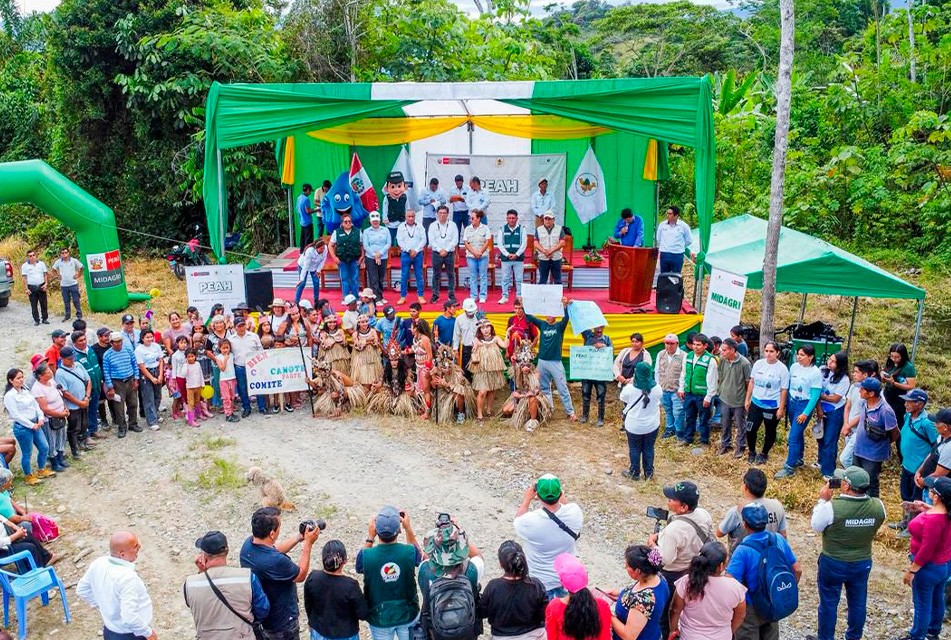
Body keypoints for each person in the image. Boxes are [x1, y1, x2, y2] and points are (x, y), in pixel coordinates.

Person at [811, 466, 885, 640]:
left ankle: (826, 637)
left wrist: (822, 501)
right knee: (858, 602)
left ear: (846, 486)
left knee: (828, 603)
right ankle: (854, 636)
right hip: (862, 561)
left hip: (833, 560)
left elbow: (816, 526)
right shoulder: (878, 506)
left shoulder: (831, 507)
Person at [240, 506, 321, 639]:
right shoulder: (275, 561)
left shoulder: (248, 546)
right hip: (282, 623)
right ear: (272, 533)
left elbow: (273, 549)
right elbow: (300, 575)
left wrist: (299, 537)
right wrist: (308, 544)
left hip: (262, 618)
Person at [647, 480, 712, 639]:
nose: (669, 499)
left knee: (666, 612)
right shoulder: (703, 514)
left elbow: (664, 560)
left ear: (683, 507)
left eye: (672, 498)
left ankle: (669, 634)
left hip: (672, 575)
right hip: (691, 568)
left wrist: (652, 545)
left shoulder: (674, 530)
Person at [724, 506, 801, 640]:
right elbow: (797, 569)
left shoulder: (743, 550)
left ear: (744, 525)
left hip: (751, 606)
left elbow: (730, 582)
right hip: (774, 599)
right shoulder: (778, 539)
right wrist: (783, 589)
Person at [184, 530, 270, 640]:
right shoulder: (247, 577)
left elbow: (194, 604)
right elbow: (263, 610)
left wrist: (202, 572)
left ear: (203, 556)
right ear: (227, 551)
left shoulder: (191, 584)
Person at [356, 506, 422, 640]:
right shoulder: (409, 552)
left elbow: (359, 567)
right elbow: (419, 556)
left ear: (376, 530)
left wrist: (370, 537)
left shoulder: (367, 555)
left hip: (379, 617)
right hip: (407, 614)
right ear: (398, 530)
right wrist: (408, 528)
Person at [77, 530, 158, 640]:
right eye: (135, 546)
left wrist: (103, 605)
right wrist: (148, 633)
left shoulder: (98, 563)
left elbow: (81, 589)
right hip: (131, 635)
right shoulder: (128, 578)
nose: (140, 546)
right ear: (122, 554)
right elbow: (130, 618)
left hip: (110, 632)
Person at [513, 474, 584, 599]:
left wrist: (527, 499)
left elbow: (517, 521)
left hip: (540, 581)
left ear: (538, 496)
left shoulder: (529, 521)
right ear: (560, 493)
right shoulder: (575, 512)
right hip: (566, 579)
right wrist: (560, 495)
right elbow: (567, 507)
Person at [417, 518, 486, 639]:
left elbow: (427, 557)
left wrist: (440, 537)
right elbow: (478, 556)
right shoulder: (471, 570)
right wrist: (457, 534)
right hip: (466, 631)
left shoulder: (425, 570)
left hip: (436, 632)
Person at [902, 476, 951, 640]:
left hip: (927, 568)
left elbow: (926, 550)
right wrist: (926, 508)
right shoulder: (947, 514)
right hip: (942, 566)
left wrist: (912, 570)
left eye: (931, 490)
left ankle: (917, 636)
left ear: (936, 496)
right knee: (938, 599)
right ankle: (933, 632)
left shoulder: (932, 522)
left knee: (922, 605)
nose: (928, 490)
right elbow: (941, 515)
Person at [668, 541, 746, 640]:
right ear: (721, 566)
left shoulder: (687, 582)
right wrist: (729, 631)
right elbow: (740, 615)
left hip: (690, 636)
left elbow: (675, 610)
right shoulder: (735, 587)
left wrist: (673, 630)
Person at [479, 540, 548, 640]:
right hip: (534, 635)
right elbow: (544, 613)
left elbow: (482, 612)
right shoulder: (535, 585)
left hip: (502, 636)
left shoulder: (493, 587)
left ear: (501, 564)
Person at [304, 540, 368, 640]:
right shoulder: (350, 585)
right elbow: (363, 614)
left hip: (319, 631)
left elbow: (308, 604)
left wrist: (311, 622)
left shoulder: (313, 577)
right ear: (345, 560)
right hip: (346, 634)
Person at [893, 390, 937, 536]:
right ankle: (904, 522)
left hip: (919, 468)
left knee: (915, 499)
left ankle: (912, 527)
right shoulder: (908, 416)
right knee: (905, 495)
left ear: (919, 404)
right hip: (906, 465)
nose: (906, 404)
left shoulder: (927, 424)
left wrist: (924, 468)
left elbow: (936, 446)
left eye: (909, 401)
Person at [775, 345, 823, 479]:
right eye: (798, 354)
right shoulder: (794, 367)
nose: (799, 357)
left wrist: (805, 413)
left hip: (803, 404)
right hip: (792, 401)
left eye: (802, 355)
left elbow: (814, 396)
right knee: (797, 432)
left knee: (793, 436)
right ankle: (798, 458)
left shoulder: (815, 373)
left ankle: (789, 466)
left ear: (811, 357)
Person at [526, 299, 577, 421]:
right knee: (544, 388)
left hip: (555, 362)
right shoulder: (542, 324)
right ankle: (549, 410)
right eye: (546, 314)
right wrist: (524, 304)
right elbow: (529, 317)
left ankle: (570, 412)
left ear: (555, 315)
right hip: (542, 361)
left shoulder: (559, 326)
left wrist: (566, 305)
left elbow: (566, 318)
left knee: (562, 388)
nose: (548, 317)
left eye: (550, 314)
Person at [714, 469, 787, 549]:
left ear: (745, 487)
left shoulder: (738, 511)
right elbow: (783, 536)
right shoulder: (777, 505)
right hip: (769, 556)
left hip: (742, 558)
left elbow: (719, 533)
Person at [545, 553, 611, 640]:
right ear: (586, 579)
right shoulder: (602, 605)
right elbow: (605, 637)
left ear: (562, 583)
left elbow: (552, 637)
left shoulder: (554, 606)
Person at [851, 376, 898, 498]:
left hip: (873, 455)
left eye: (862, 389)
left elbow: (895, 433)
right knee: (855, 481)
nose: (859, 391)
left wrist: (883, 443)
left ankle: (872, 508)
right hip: (858, 450)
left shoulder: (885, 411)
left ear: (871, 393)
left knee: (870, 484)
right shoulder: (865, 403)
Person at [607, 545, 667, 640]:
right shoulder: (658, 577)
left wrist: (608, 615)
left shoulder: (643, 601)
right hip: (653, 633)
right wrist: (621, 595)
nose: (625, 567)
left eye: (627, 566)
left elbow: (629, 636)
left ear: (638, 571)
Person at [3, 369, 52, 485]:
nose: (21, 380)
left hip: (35, 423)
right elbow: (16, 415)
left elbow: (35, 404)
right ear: (11, 380)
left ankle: (41, 469)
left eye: (22, 377)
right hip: (23, 427)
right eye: (18, 378)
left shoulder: (25, 390)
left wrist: (40, 417)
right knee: (27, 452)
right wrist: (31, 425)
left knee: (44, 447)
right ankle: (28, 475)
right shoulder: (9, 396)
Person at [744, 341, 789, 465]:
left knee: (770, 430)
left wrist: (781, 407)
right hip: (756, 403)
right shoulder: (758, 364)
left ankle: (764, 453)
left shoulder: (782, 369)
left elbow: (783, 390)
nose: (768, 354)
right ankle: (752, 451)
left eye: (771, 351)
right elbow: (752, 382)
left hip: (771, 406)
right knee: (750, 429)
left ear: (777, 353)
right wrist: (747, 399)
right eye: (766, 351)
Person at [620, 362, 662, 480]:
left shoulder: (630, 388)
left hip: (634, 425)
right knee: (649, 448)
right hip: (652, 424)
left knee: (634, 449)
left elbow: (622, 398)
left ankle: (635, 472)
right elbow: (659, 398)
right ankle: (649, 473)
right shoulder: (657, 388)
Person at [501, 342, 552, 433]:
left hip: (532, 397)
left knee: (532, 399)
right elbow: (517, 388)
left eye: (528, 366)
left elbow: (534, 392)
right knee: (506, 410)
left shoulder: (536, 374)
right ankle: (522, 416)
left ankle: (532, 420)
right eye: (523, 366)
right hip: (522, 397)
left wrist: (520, 396)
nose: (525, 368)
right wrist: (516, 393)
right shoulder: (517, 374)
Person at [815, 352, 851, 479]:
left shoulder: (844, 379)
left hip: (834, 411)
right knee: (820, 436)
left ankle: (829, 470)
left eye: (833, 361)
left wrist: (819, 395)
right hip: (821, 408)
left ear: (840, 365)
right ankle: (821, 461)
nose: (829, 362)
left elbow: (836, 398)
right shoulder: (822, 370)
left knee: (830, 440)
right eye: (829, 359)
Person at [678, 334, 718, 447]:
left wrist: (709, 397)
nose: (695, 347)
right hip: (689, 393)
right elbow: (684, 373)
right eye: (694, 344)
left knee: (704, 419)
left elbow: (712, 381)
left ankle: (704, 441)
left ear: (705, 346)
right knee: (689, 417)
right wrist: (681, 388)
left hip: (702, 395)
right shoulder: (688, 356)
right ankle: (688, 439)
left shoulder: (710, 360)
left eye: (698, 345)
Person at [55, 345, 93, 460]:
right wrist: (78, 402)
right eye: (69, 359)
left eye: (73, 358)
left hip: (84, 401)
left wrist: (86, 397)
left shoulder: (78, 365)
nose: (72, 360)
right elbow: (65, 392)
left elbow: (88, 380)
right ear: (63, 359)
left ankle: (83, 443)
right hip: (73, 406)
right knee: (73, 428)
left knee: (84, 424)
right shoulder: (60, 373)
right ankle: (74, 450)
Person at [840, 359, 879, 468]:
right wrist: (845, 424)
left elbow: (864, 413)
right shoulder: (853, 387)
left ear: (865, 375)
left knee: (845, 459)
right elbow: (847, 406)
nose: (854, 374)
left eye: (856, 372)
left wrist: (848, 425)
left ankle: (855, 479)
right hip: (849, 428)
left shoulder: (870, 392)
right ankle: (850, 481)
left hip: (859, 430)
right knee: (851, 458)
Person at [716, 338, 751, 456]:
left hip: (739, 400)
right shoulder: (722, 360)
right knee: (725, 423)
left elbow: (748, 383)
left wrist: (747, 399)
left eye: (724, 350)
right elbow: (720, 376)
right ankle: (725, 444)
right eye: (722, 350)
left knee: (741, 425)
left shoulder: (744, 363)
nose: (722, 352)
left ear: (733, 350)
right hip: (725, 398)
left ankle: (740, 447)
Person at [31, 362, 69, 471]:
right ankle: (54, 462)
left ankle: (61, 458)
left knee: (61, 436)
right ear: (40, 376)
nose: (50, 372)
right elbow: (45, 408)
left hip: (61, 414)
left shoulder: (51, 381)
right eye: (47, 372)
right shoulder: (37, 389)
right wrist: (60, 413)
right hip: (50, 419)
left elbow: (59, 395)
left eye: (49, 370)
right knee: (51, 440)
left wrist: (65, 408)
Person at [470, 319, 508, 423]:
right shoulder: (477, 340)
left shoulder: (495, 338)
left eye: (487, 327)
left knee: (492, 390)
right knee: (482, 392)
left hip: (493, 368)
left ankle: (489, 410)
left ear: (491, 327)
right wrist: (474, 349)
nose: (485, 330)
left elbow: (505, 345)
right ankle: (479, 414)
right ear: (479, 330)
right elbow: (474, 348)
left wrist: (508, 333)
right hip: (482, 369)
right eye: (482, 328)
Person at [71, 330, 105, 442]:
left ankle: (93, 430)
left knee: (94, 409)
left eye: (84, 339)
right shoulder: (74, 356)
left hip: (96, 385)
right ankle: (85, 435)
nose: (83, 342)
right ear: (74, 343)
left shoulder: (90, 349)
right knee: (84, 412)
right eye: (80, 340)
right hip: (85, 390)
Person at [230, 318, 267, 417]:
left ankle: (262, 406)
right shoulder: (231, 339)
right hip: (239, 366)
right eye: (239, 326)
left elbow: (260, 350)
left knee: (258, 385)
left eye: (243, 325)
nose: (241, 328)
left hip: (254, 366)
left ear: (246, 325)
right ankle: (246, 407)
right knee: (242, 388)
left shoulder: (254, 336)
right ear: (235, 328)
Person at [883, 342, 917, 441]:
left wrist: (894, 383)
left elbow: (911, 386)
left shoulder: (908, 367)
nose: (894, 359)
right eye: (892, 356)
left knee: (898, 423)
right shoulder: (891, 363)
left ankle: (900, 445)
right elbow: (886, 371)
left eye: (897, 357)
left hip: (899, 398)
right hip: (888, 394)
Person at [580, 326, 613, 427]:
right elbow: (580, 324)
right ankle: (585, 416)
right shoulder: (587, 335)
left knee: (601, 395)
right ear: (593, 327)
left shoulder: (607, 339)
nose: (599, 330)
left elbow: (611, 352)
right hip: (587, 371)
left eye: (601, 328)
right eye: (597, 328)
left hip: (600, 373)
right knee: (585, 393)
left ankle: (600, 418)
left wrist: (604, 347)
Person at [653, 334, 684, 439]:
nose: (669, 346)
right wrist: (657, 386)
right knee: (667, 410)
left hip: (677, 389)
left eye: (671, 343)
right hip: (663, 388)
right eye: (667, 343)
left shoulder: (684, 355)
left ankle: (679, 431)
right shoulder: (661, 354)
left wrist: (681, 389)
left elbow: (684, 374)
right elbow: (657, 371)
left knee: (678, 411)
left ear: (677, 344)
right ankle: (670, 428)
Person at [329, 213, 364, 300]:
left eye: (349, 221)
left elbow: (362, 245)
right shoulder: (336, 232)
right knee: (344, 280)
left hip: (355, 259)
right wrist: (334, 257)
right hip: (342, 260)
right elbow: (330, 245)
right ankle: (346, 298)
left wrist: (362, 257)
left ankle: (356, 298)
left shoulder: (358, 231)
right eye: (345, 222)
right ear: (342, 223)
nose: (348, 223)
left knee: (354, 279)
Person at [429, 205, 459, 304]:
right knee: (436, 274)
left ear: (447, 214)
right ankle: (435, 295)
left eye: (444, 213)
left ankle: (451, 295)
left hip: (449, 253)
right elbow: (431, 240)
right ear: (437, 214)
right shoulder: (433, 225)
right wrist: (439, 250)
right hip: (436, 253)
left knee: (451, 274)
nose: (442, 215)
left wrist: (446, 250)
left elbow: (455, 240)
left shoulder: (453, 225)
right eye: (440, 213)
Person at [396, 209, 427, 306]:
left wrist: (416, 250)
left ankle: (421, 296)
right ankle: (402, 296)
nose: (410, 218)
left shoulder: (420, 226)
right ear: (405, 217)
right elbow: (399, 241)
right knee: (404, 275)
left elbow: (424, 239)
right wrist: (409, 250)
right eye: (409, 216)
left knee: (419, 275)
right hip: (406, 254)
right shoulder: (401, 227)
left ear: (415, 217)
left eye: (412, 216)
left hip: (418, 254)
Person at [134, 332, 163, 430]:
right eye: (147, 337)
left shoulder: (156, 346)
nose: (150, 339)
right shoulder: (139, 350)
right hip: (146, 374)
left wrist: (160, 375)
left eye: (151, 337)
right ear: (142, 338)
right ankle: (151, 421)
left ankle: (155, 414)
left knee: (158, 395)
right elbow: (141, 366)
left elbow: (161, 360)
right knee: (148, 397)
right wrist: (151, 378)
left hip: (157, 370)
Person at [497, 209, 527, 304]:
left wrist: (516, 254)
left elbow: (524, 243)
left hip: (518, 259)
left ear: (517, 218)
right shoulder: (502, 229)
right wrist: (507, 254)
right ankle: (504, 296)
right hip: (506, 259)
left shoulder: (522, 229)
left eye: (513, 218)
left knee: (519, 279)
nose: (511, 220)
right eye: (509, 218)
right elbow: (499, 244)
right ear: (506, 218)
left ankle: (519, 297)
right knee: (505, 279)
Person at [363, 211, 391, 304]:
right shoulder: (366, 231)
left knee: (381, 278)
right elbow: (366, 246)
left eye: (377, 221)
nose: (375, 222)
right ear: (370, 221)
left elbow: (388, 243)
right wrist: (375, 255)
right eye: (373, 221)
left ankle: (380, 295)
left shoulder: (385, 230)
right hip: (371, 257)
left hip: (383, 257)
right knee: (373, 278)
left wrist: (380, 253)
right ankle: (376, 298)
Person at [464, 210, 492, 304]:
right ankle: (474, 295)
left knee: (483, 276)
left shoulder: (485, 228)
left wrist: (479, 252)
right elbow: (466, 243)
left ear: (478, 218)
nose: (471, 219)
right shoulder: (467, 229)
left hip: (483, 256)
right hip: (471, 256)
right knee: (473, 276)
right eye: (470, 218)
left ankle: (483, 296)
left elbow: (487, 242)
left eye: (473, 218)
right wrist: (474, 253)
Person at [654, 206, 692, 274]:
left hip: (677, 255)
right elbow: (658, 238)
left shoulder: (684, 226)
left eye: (670, 213)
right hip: (665, 254)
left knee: (675, 277)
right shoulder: (662, 225)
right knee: (664, 277)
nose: (667, 215)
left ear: (676, 215)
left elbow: (689, 240)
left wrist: (679, 246)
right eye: (667, 213)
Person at [51, 247, 84, 321]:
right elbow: (53, 269)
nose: (64, 254)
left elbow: (81, 267)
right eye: (62, 253)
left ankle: (79, 315)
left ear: (68, 253)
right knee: (66, 301)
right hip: (64, 285)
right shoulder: (58, 262)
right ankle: (67, 315)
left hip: (73, 284)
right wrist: (57, 276)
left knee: (76, 300)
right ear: (60, 254)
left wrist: (78, 274)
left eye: (66, 252)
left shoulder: (74, 261)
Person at [535, 212, 566, 285]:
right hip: (543, 257)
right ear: (543, 219)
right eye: (546, 219)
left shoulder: (559, 229)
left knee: (558, 280)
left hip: (556, 257)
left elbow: (562, 243)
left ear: (553, 219)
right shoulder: (539, 229)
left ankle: (558, 296)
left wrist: (551, 251)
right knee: (542, 280)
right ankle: (542, 296)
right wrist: (545, 252)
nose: (547, 221)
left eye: (549, 219)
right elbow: (535, 243)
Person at [452, 298, 480, 378]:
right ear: (464, 310)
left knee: (478, 370)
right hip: (466, 348)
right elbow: (456, 335)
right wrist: (455, 349)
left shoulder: (479, 318)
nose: (471, 314)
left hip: (478, 347)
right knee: (466, 369)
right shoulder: (459, 319)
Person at [383, 171, 412, 244]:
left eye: (399, 186)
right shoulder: (387, 198)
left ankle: (402, 254)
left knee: (402, 241)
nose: (396, 190)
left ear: (404, 186)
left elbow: (407, 208)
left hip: (401, 222)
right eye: (392, 187)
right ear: (387, 188)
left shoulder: (405, 197)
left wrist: (407, 218)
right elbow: (385, 209)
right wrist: (385, 218)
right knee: (390, 241)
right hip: (390, 223)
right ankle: (390, 254)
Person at [21, 249, 49, 325]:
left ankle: (45, 319)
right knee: (34, 305)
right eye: (30, 256)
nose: (32, 257)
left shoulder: (41, 264)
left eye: (33, 255)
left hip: (41, 285)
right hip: (31, 287)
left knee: (44, 304)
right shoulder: (25, 266)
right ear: (28, 257)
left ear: (36, 256)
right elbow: (24, 278)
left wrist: (46, 284)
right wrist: (26, 289)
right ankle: (37, 320)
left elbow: (45, 274)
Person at [296, 241, 328, 308]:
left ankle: (316, 302)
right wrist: (301, 279)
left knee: (316, 282)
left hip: (315, 267)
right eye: (321, 249)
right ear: (316, 248)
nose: (323, 250)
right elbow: (305, 266)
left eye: (323, 248)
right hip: (303, 265)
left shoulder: (325, 248)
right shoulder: (309, 251)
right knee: (302, 284)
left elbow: (323, 261)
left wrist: (318, 270)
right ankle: (296, 302)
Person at [448, 174, 470, 239]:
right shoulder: (452, 189)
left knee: (468, 231)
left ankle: (469, 248)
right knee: (456, 231)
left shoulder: (467, 188)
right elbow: (448, 200)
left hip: (466, 212)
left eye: (459, 181)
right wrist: (452, 199)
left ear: (462, 181)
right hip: (456, 212)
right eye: (457, 181)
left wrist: (464, 199)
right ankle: (456, 248)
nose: (458, 183)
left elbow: (470, 199)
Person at [298, 184, 317, 248]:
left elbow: (298, 209)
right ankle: (307, 253)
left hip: (302, 221)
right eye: (310, 191)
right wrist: (316, 209)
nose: (310, 193)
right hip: (307, 222)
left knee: (303, 238)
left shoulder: (299, 197)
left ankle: (301, 252)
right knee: (308, 240)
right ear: (308, 190)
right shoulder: (306, 199)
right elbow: (308, 211)